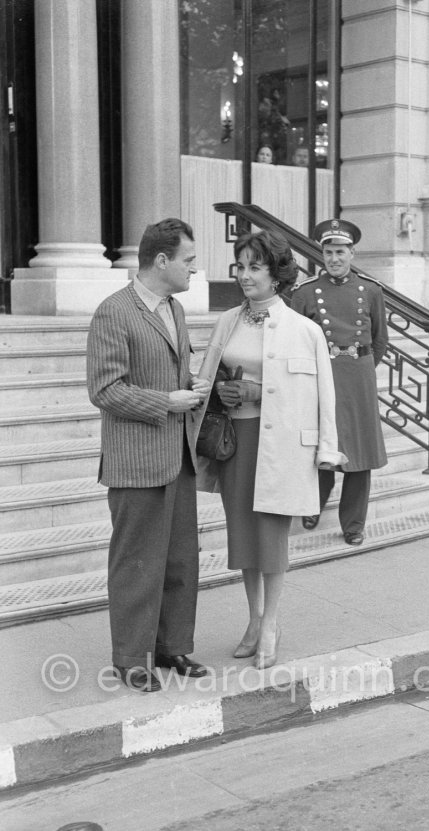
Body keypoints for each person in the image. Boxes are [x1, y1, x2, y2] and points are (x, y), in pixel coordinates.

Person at [197, 229, 345, 670]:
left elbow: (324, 397)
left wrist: (327, 449)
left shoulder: (305, 330)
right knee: (243, 535)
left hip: (280, 445)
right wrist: (223, 390)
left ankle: (272, 623)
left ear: (277, 273)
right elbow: (208, 378)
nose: (244, 275)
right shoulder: (228, 321)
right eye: (240, 266)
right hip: (235, 444)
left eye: (254, 267)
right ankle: (254, 618)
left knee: (271, 536)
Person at [87, 218, 211, 692]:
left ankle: (171, 645)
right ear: (162, 261)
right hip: (136, 460)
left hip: (176, 454)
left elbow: (172, 370)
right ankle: (130, 658)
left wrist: (192, 385)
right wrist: (167, 402)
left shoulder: (174, 310)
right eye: (188, 261)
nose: (194, 269)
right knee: (137, 562)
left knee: (181, 558)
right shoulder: (113, 312)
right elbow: (105, 389)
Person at [291, 218, 388, 546]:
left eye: (341, 252)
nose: (335, 258)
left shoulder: (370, 290)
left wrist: (363, 370)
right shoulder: (305, 294)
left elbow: (380, 341)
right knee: (321, 445)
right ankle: (312, 505)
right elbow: (297, 343)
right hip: (322, 376)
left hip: (358, 377)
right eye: (329, 252)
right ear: (321, 255)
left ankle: (353, 525)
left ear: (352, 253)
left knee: (358, 454)